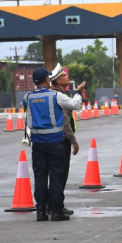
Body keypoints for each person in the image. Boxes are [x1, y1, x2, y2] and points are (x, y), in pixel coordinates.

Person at [23, 67, 81, 222]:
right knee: (56, 175)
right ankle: (56, 211)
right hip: (55, 142)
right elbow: (75, 105)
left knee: (40, 176)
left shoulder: (27, 97)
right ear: (47, 80)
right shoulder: (56, 96)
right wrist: (78, 94)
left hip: (37, 144)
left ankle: (41, 211)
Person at [49, 66, 85, 214]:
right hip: (61, 139)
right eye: (64, 75)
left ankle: (51, 205)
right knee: (60, 174)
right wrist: (73, 140)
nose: (67, 77)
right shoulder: (58, 96)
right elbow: (65, 122)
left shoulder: (57, 94)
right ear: (58, 80)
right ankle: (56, 206)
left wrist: (76, 91)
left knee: (54, 174)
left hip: (51, 139)